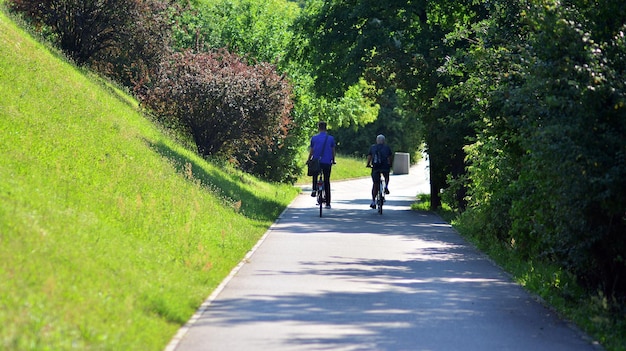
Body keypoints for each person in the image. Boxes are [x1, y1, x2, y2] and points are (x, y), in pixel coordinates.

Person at [308, 121, 336, 208]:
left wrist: (309, 159)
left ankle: (314, 189)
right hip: (327, 162)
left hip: (317, 161)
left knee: (315, 174)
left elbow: (312, 151)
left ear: (318, 128)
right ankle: (328, 203)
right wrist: (333, 160)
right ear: (326, 128)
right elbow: (333, 151)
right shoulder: (331, 138)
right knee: (327, 181)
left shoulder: (314, 138)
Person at [366, 134, 392, 209]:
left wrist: (368, 164)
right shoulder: (387, 148)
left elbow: (369, 157)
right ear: (384, 141)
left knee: (375, 184)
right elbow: (390, 157)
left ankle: (373, 201)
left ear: (377, 141)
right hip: (385, 167)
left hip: (376, 167)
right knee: (386, 176)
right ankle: (386, 186)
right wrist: (389, 165)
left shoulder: (373, 147)